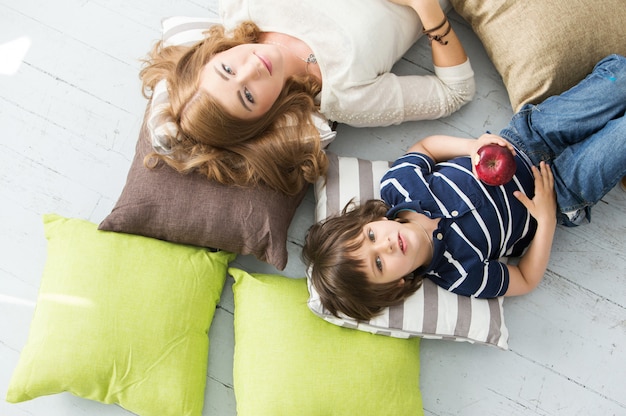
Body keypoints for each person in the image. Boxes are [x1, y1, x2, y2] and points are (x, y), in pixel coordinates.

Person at [302, 54, 626, 321]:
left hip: (525, 139)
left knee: (618, 79)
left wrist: (473, 147)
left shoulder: (399, 188)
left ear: (368, 222)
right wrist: (546, 221)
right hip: (560, 191)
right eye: (378, 264)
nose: (384, 245)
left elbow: (426, 147)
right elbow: (525, 279)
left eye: (370, 236)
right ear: (395, 284)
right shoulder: (459, 275)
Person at [140, 0, 475, 195]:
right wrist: (426, 8)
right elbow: (454, 92)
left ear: (212, 56)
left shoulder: (241, 9)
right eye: (247, 96)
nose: (251, 69)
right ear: (266, 116)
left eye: (227, 69)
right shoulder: (346, 96)